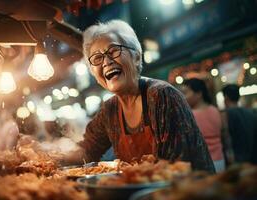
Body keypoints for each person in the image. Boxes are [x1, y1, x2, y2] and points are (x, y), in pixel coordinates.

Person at [59, 20, 214, 172]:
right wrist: (46, 156)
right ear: (95, 75)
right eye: (97, 58)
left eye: (113, 51)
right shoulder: (110, 109)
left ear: (136, 57)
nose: (106, 61)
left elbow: (174, 168)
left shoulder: (162, 95)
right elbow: (87, 150)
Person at [181, 78, 225, 173]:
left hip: (202, 164)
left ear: (199, 93)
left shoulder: (189, 115)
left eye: (186, 93)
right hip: (220, 160)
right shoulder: (215, 110)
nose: (183, 97)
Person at [221, 84, 257, 164]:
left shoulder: (225, 115)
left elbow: (226, 137)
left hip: (236, 160)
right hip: (252, 159)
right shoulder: (251, 113)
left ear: (226, 97)